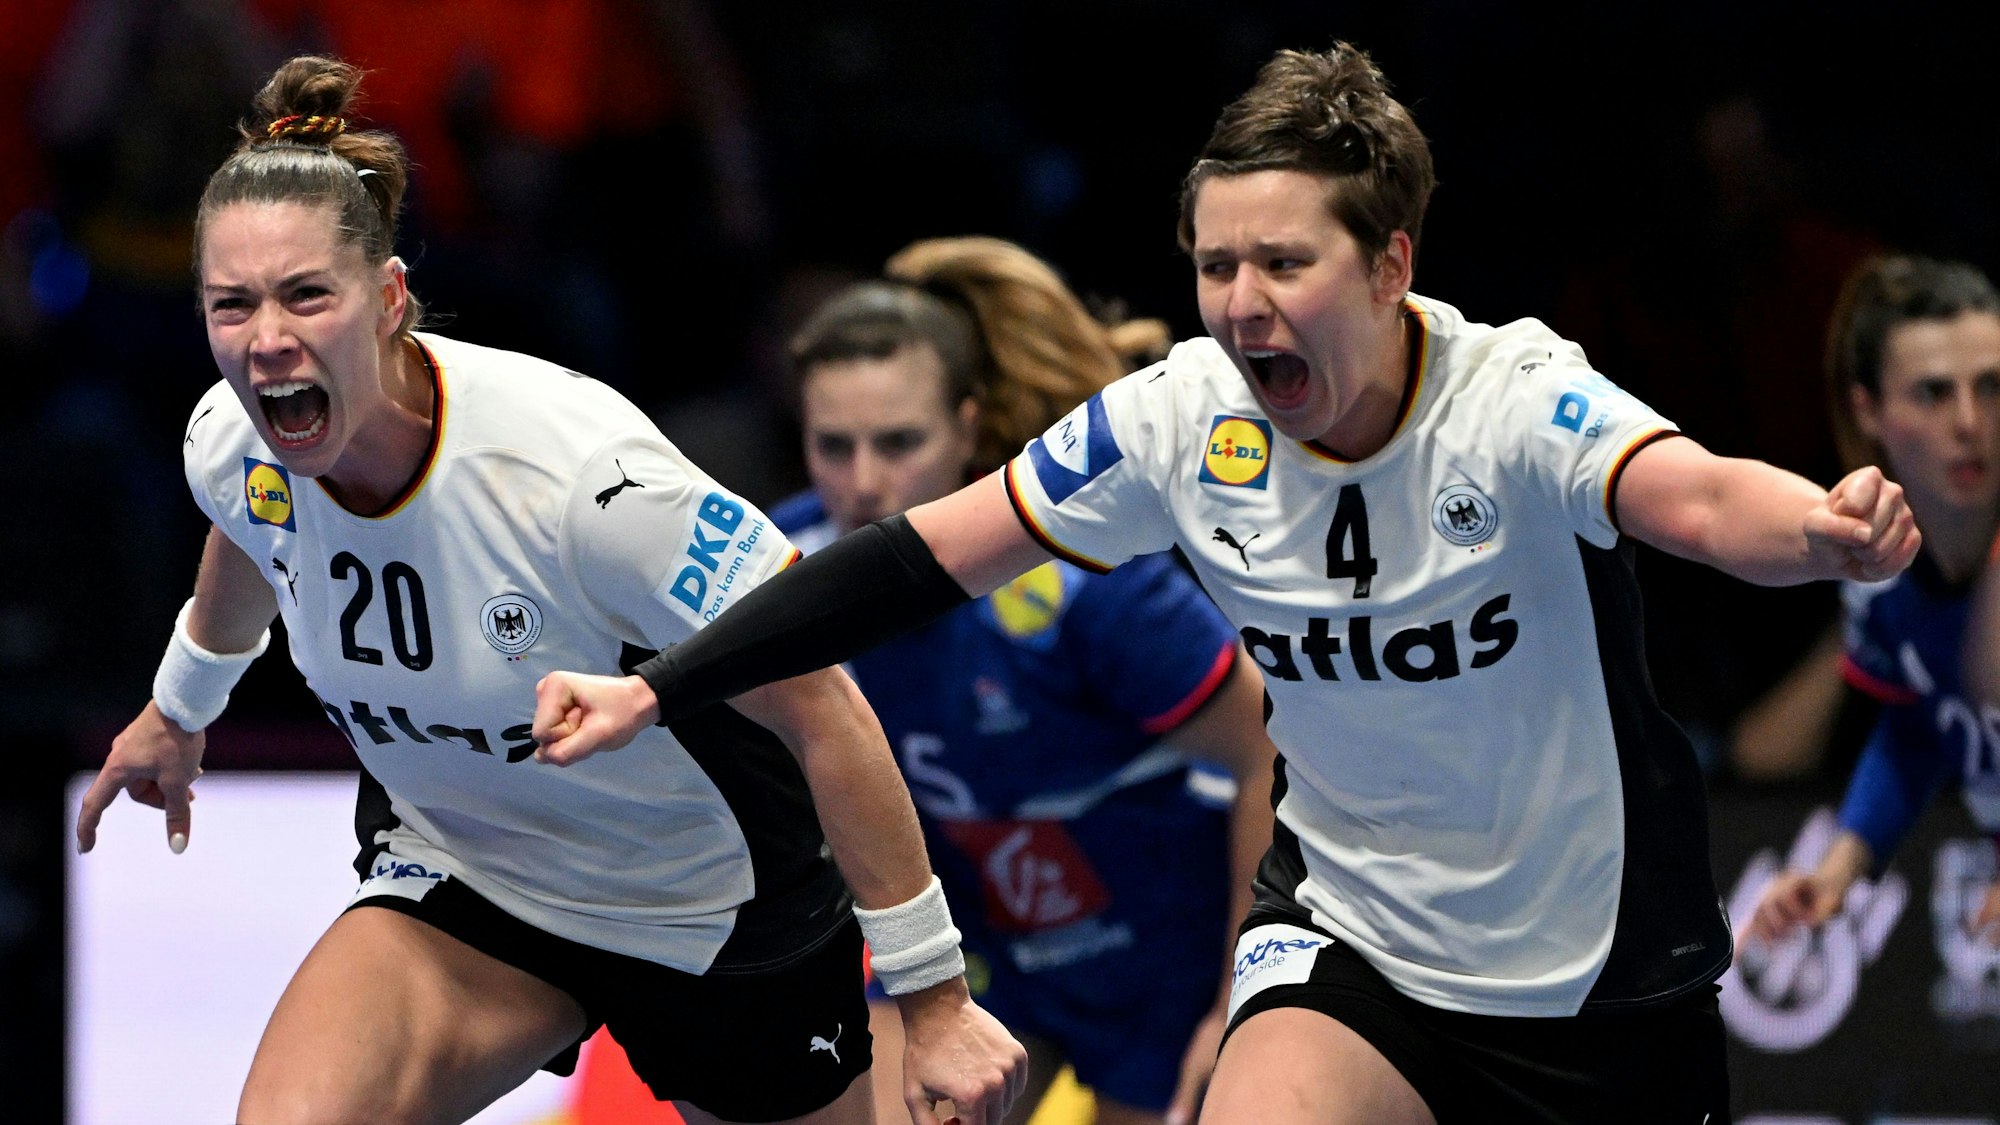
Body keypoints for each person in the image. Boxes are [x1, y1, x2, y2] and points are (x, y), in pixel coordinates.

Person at [529, 43, 1921, 1125]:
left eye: (1283, 262)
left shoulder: (1514, 397)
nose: (1242, 300)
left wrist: (1826, 525)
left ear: (1390, 266)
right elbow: (908, 561)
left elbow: (1700, 497)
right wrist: (668, 683)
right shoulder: (1184, 416)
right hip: (1353, 939)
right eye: (1215, 264)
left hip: (1604, 973)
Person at [70, 55, 1024, 1125]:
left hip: (710, 904)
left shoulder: (581, 482)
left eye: (305, 296)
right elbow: (250, 526)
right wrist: (177, 709)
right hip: (471, 872)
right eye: (230, 307)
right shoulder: (233, 438)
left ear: (387, 300)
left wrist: (931, 993)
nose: (266, 343)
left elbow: (823, 703)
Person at [771, 236, 1278, 1125]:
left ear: (967, 430)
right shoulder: (784, 572)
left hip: (1164, 966)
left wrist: (1245, 1000)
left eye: (898, 442)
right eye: (832, 445)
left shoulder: (1080, 585)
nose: (862, 482)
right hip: (976, 963)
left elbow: (1267, 750)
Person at [1740, 255, 2000, 949]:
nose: (1970, 421)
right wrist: (1838, 868)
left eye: (1991, 386)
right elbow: (1919, 724)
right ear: (1871, 411)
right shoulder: (1882, 581)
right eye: (1934, 393)